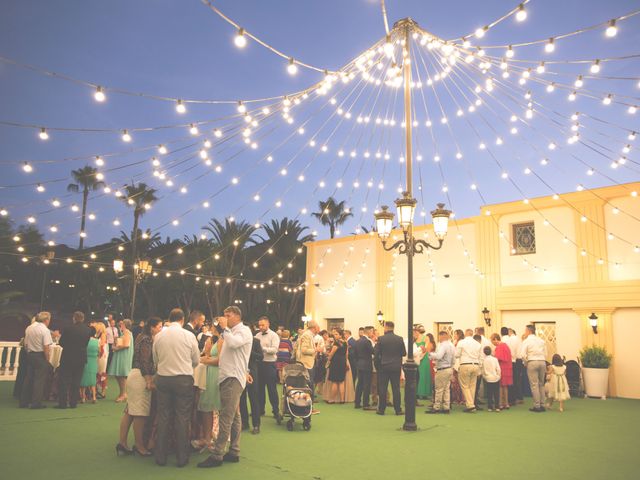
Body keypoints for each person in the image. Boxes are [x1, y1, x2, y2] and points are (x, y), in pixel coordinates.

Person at [198, 306, 252, 469]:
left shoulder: (243, 331)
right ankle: (234, 451)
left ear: (236, 315)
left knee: (226, 417)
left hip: (233, 377)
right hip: (229, 376)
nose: (224, 317)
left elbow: (235, 345)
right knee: (234, 416)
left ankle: (217, 454)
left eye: (227, 315)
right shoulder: (230, 332)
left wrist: (225, 328)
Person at [153, 308, 200, 467]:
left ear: (169, 318)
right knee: (182, 418)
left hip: (164, 378)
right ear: (182, 320)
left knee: (163, 416)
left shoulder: (159, 336)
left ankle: (160, 456)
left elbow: (155, 359)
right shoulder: (189, 335)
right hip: (183, 379)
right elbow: (196, 360)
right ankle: (182, 458)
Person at [117, 316, 163, 457]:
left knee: (130, 411)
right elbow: (144, 361)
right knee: (140, 414)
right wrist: (149, 379)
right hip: (141, 377)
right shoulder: (147, 340)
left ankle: (122, 444)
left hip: (135, 375)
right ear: (152, 327)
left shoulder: (140, 337)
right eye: (159, 326)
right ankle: (139, 445)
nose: (161, 329)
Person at [193, 334, 224, 451]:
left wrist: (206, 360)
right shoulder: (212, 338)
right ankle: (207, 438)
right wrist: (205, 358)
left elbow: (220, 360)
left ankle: (219, 440)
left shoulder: (222, 340)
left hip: (215, 374)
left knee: (215, 406)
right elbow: (207, 354)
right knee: (206, 407)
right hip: (208, 373)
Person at [57, 311, 93, 409]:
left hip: (67, 357)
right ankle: (73, 403)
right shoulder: (88, 330)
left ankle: (63, 403)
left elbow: (61, 342)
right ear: (83, 319)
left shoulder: (68, 328)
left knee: (64, 380)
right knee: (76, 380)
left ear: (74, 318)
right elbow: (85, 344)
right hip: (81, 357)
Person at [19, 311, 54, 409]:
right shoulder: (45, 330)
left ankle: (23, 402)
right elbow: (46, 347)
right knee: (39, 380)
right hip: (39, 356)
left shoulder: (29, 328)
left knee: (28, 378)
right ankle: (36, 403)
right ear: (46, 320)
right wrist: (47, 360)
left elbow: (25, 344)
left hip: (30, 355)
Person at [373, 321, 406, 416]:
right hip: (395, 367)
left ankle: (381, 409)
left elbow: (376, 354)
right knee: (396, 388)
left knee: (382, 388)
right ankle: (398, 409)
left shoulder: (381, 339)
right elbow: (403, 353)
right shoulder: (399, 339)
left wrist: (377, 366)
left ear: (386, 327)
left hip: (383, 367)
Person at [255, 316, 280, 419]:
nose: (260, 327)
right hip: (259, 364)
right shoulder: (257, 335)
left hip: (270, 364)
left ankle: (276, 411)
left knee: (272, 389)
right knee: (259, 389)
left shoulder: (274, 335)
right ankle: (261, 410)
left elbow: (274, 350)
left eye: (262, 325)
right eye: (259, 325)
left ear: (268, 324)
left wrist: (262, 349)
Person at [426, 331, 456, 414]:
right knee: (446, 389)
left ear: (442, 336)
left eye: (439, 337)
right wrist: (452, 368)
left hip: (442, 369)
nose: (438, 339)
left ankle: (436, 407)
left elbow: (439, 356)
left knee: (439, 389)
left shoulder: (443, 345)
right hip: (449, 368)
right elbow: (454, 358)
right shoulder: (451, 345)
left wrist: (430, 354)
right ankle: (446, 407)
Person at [521, 324, 548, 412]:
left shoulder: (526, 341)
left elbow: (523, 354)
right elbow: (546, 353)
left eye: (525, 331)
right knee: (541, 384)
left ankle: (537, 405)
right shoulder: (541, 340)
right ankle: (543, 404)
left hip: (532, 361)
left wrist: (525, 362)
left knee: (534, 385)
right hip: (542, 361)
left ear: (529, 331)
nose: (524, 332)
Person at [240, 336, 263, 434]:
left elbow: (261, 356)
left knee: (254, 399)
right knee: (241, 399)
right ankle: (244, 423)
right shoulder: (238, 340)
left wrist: (249, 351)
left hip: (252, 372)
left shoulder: (256, 341)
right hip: (240, 371)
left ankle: (256, 425)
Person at [108, 319, 134, 403]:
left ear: (124, 325)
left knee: (121, 375)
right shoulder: (126, 333)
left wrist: (115, 348)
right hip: (122, 355)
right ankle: (122, 393)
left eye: (121, 324)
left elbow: (126, 345)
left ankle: (123, 394)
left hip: (123, 355)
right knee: (119, 375)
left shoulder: (126, 332)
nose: (120, 326)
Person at [456, 329, 482, 413]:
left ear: (466, 333)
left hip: (465, 364)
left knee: (465, 385)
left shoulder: (462, 342)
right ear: (472, 334)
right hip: (475, 365)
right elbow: (480, 356)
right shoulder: (478, 344)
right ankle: (471, 404)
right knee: (472, 386)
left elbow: (457, 355)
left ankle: (470, 405)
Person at [294, 320, 319, 399]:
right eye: (318, 327)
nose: (319, 329)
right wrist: (316, 350)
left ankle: (308, 404)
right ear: (314, 328)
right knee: (308, 384)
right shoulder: (307, 335)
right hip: (306, 363)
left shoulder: (307, 335)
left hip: (306, 362)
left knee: (308, 383)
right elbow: (304, 350)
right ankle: (308, 404)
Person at [354, 326, 375, 410]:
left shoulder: (358, 341)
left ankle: (357, 403)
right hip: (367, 365)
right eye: (372, 332)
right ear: (369, 332)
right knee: (366, 385)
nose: (372, 333)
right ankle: (366, 404)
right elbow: (373, 351)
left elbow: (355, 354)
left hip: (359, 364)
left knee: (359, 384)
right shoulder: (367, 342)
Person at [325, 329, 348, 403]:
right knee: (341, 381)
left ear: (340, 335)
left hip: (336, 362)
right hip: (342, 361)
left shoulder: (336, 343)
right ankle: (342, 399)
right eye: (334, 334)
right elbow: (347, 354)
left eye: (336, 334)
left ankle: (331, 399)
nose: (335, 335)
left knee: (334, 381)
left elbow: (331, 354)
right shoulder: (345, 342)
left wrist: (328, 358)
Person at [491, 333, 513, 410]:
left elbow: (498, 358)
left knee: (500, 386)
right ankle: (506, 403)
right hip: (508, 367)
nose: (492, 343)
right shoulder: (506, 345)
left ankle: (500, 403)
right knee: (505, 386)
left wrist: (493, 356)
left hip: (502, 367)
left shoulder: (500, 346)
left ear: (496, 339)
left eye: (492, 341)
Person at [79, 326, 99, 404]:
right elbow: (100, 352)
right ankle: (94, 397)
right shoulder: (97, 341)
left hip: (85, 360)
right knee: (93, 378)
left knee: (84, 378)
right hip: (94, 361)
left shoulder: (84, 340)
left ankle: (83, 398)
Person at [507, 327, 524, 405]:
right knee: (518, 380)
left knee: (513, 380)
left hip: (514, 360)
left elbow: (512, 351)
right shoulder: (518, 339)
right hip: (520, 361)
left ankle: (514, 399)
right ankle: (519, 397)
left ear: (509, 332)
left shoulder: (511, 339)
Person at [414, 325, 431, 402]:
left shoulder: (423, 338)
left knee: (421, 374)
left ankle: (421, 393)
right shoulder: (418, 338)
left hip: (420, 358)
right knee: (421, 375)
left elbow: (425, 349)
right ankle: (420, 393)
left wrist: (420, 357)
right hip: (420, 358)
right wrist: (420, 357)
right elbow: (425, 349)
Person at [482, 346, 501, 412]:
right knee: (496, 393)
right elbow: (498, 368)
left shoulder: (484, 360)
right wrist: (498, 376)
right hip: (495, 378)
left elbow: (483, 370)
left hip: (488, 378)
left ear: (484, 352)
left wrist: (485, 377)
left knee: (489, 394)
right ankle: (497, 407)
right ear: (491, 351)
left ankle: (490, 407)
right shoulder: (495, 359)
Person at [94, 322, 109, 398]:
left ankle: (103, 391)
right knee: (98, 372)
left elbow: (101, 345)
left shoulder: (103, 335)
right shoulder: (97, 335)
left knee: (102, 372)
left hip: (102, 354)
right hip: (98, 354)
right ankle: (97, 390)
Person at [450, 329, 465, 406]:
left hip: (459, 363)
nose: (454, 335)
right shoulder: (454, 342)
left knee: (460, 382)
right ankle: (456, 398)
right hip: (454, 363)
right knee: (455, 382)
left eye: (455, 334)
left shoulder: (461, 342)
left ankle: (461, 399)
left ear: (459, 335)